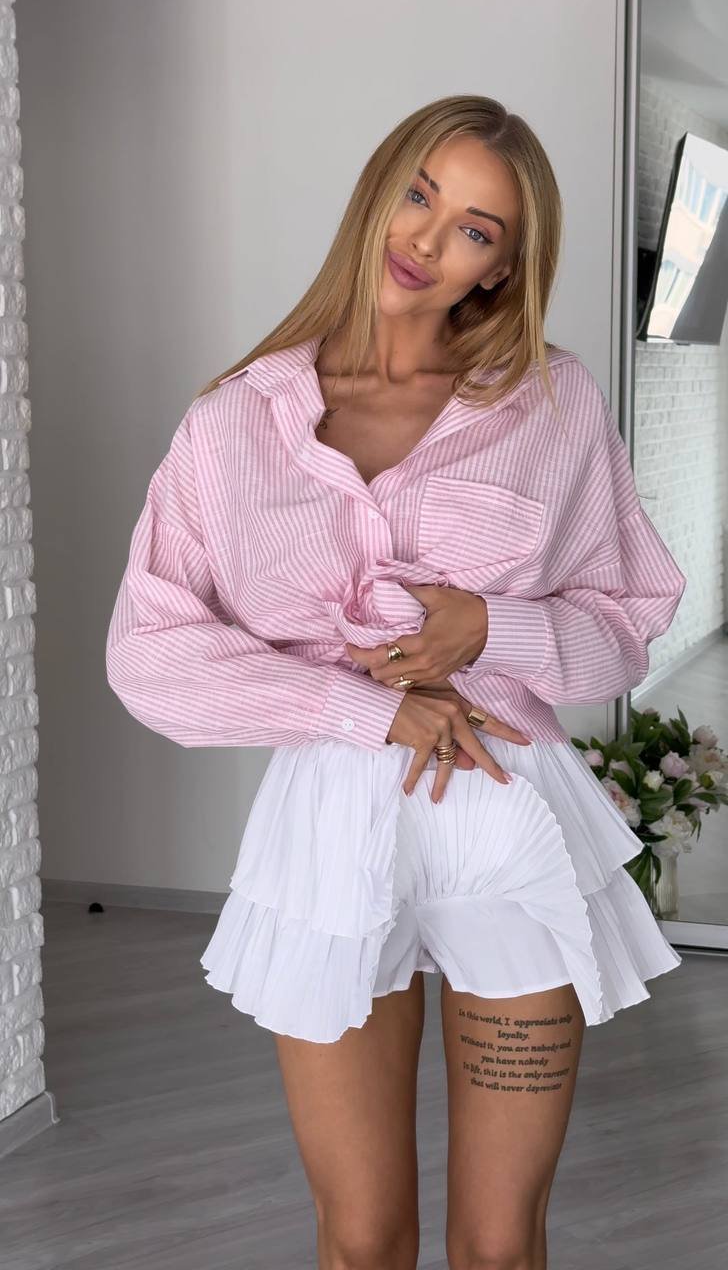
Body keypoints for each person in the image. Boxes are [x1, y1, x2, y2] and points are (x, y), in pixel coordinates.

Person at [106, 95, 687, 1270]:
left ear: (500, 267)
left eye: (474, 228)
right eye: (421, 193)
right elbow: (149, 656)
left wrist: (489, 627)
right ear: (380, 185)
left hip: (508, 822)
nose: (427, 237)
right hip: (329, 825)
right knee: (362, 1238)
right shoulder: (231, 425)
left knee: (497, 1242)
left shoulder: (552, 402)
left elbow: (624, 625)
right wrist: (364, 707)